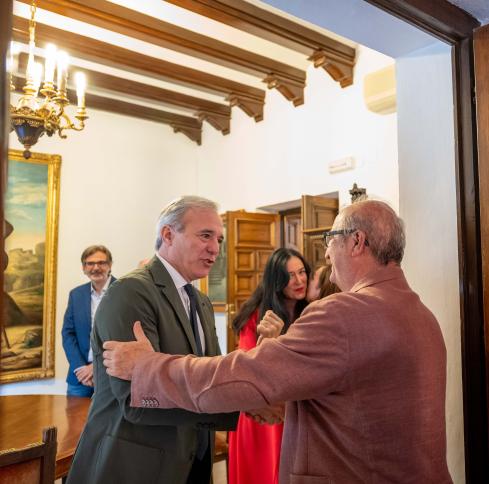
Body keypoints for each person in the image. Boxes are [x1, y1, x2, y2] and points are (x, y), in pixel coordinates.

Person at [103, 199, 452, 483]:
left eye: (330, 241)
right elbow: (354, 401)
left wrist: (148, 368)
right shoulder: (422, 316)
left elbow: (243, 374)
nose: (327, 256)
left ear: (357, 242)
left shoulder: (343, 313)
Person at [67, 196, 238, 484]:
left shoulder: (202, 302)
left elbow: (211, 373)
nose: (215, 248)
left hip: (192, 458)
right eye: (205, 235)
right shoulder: (131, 292)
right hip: (133, 464)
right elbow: (138, 398)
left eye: (219, 239)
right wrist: (235, 402)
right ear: (168, 235)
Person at [228, 247, 310, 484]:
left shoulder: (311, 312)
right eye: (289, 276)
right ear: (276, 281)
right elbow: (247, 367)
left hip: (295, 408)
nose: (298, 280)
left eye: (302, 272)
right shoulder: (257, 316)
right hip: (262, 411)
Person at [61, 245, 115, 397]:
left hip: (111, 377)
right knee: (73, 420)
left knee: (108, 421)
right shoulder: (76, 294)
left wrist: (95, 368)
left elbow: (124, 336)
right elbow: (68, 334)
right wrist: (80, 367)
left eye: (101, 263)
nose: (95, 268)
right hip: (79, 378)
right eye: (90, 263)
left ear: (110, 265)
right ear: (83, 267)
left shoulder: (123, 291)